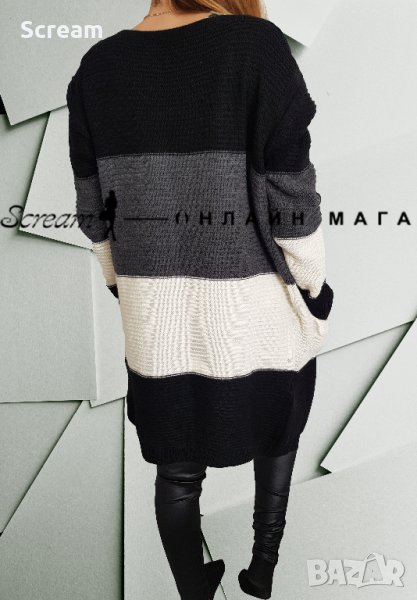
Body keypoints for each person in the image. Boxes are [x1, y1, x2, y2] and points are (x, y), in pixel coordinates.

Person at [66, 1, 334, 598]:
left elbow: (92, 213)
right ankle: (262, 569)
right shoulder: (256, 47)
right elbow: (292, 194)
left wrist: (126, 289)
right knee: (280, 423)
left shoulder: (97, 67)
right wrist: (313, 285)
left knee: (177, 465)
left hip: (154, 316)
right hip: (253, 305)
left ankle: (194, 588)